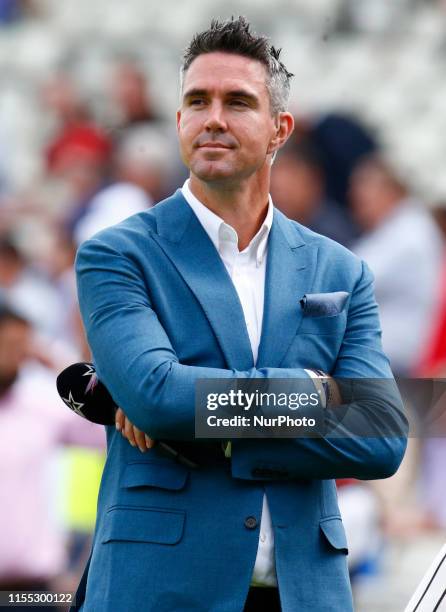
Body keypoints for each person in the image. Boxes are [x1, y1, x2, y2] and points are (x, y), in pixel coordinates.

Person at [72, 17, 407, 612]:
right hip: (158, 589)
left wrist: (212, 428)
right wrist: (312, 396)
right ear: (179, 122)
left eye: (238, 101)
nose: (214, 118)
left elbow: (380, 435)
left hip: (305, 593)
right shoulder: (116, 254)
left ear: (280, 130)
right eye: (197, 101)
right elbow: (155, 397)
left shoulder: (342, 271)